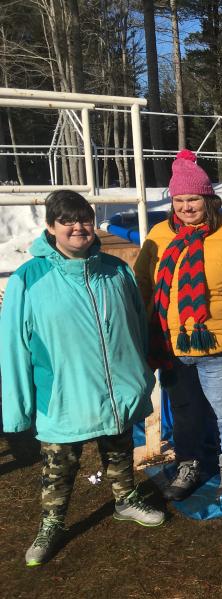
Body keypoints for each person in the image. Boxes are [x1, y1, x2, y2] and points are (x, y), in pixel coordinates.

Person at [1, 191, 164, 567]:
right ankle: (52, 523)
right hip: (63, 392)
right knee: (59, 466)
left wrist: (139, 373)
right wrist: (17, 410)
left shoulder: (115, 269)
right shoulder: (30, 278)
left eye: (85, 219)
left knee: (119, 448)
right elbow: (13, 346)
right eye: (67, 221)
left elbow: (137, 325)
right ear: (50, 227)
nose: (78, 227)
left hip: (115, 389)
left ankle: (125, 499)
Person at [134, 149, 222, 502]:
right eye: (179, 200)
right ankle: (189, 464)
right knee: (185, 412)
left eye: (193, 198)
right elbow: (142, 287)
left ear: (208, 198)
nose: (186, 206)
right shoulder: (159, 235)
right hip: (173, 346)